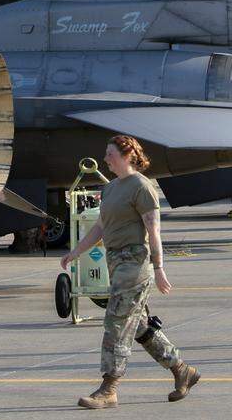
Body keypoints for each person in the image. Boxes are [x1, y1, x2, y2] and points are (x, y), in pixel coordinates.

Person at [60, 135, 199, 409]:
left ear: (127, 156)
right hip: (115, 261)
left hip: (135, 263)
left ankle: (109, 387)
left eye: (110, 154)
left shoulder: (142, 187)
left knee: (116, 322)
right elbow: (100, 227)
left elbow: (153, 231)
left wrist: (159, 268)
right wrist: (75, 252)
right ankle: (182, 370)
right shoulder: (111, 188)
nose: (106, 159)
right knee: (140, 326)